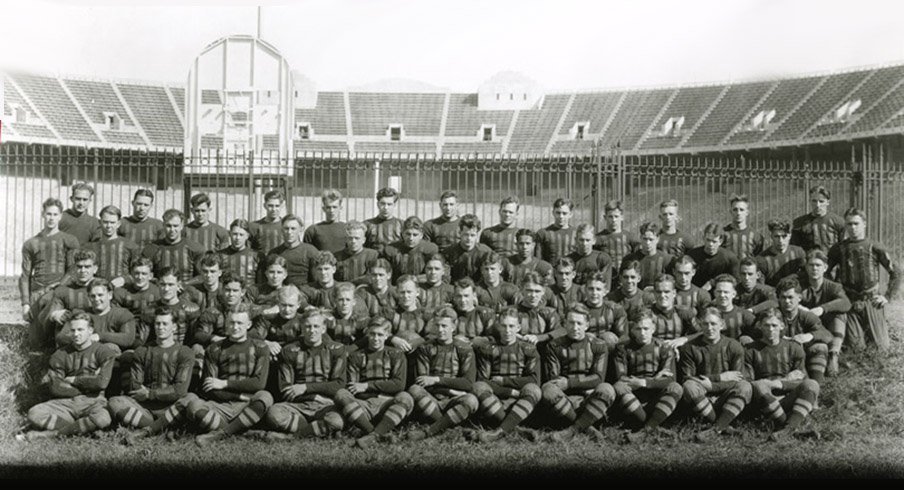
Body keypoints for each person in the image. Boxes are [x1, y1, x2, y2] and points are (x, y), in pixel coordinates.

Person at [17, 311, 115, 441]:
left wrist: (74, 380)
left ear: (90, 330)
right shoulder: (60, 354)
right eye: (72, 330)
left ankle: (50, 435)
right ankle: (83, 429)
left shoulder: (104, 352)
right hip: (66, 403)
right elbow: (56, 387)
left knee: (103, 418)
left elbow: (102, 383)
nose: (76, 334)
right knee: (34, 413)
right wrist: (88, 384)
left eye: (80, 330)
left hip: (94, 401)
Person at [185, 306, 274, 446]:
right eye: (232, 323)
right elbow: (210, 388)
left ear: (249, 325)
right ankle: (242, 430)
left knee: (265, 397)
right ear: (226, 324)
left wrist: (224, 383)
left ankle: (221, 434)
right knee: (194, 406)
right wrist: (240, 396)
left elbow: (258, 384)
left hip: (247, 405)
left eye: (240, 323)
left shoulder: (260, 347)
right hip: (221, 405)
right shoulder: (214, 349)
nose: (235, 327)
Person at [109, 306, 195, 445]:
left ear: (173, 327)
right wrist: (147, 396)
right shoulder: (142, 351)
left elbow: (179, 390)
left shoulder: (185, 352)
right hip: (145, 408)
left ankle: (146, 431)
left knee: (191, 399)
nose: (160, 327)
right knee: (114, 402)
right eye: (157, 324)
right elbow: (136, 387)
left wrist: (150, 393)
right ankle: (164, 426)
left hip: (171, 405)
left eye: (165, 324)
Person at [263, 308, 348, 440]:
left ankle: (292, 437)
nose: (312, 330)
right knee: (274, 414)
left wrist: (306, 388)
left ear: (323, 328)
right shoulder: (290, 350)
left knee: (337, 420)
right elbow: (285, 389)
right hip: (298, 405)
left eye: (316, 326)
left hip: (326, 404)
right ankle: (317, 430)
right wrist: (314, 396)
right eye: (308, 326)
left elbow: (339, 384)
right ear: (302, 328)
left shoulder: (336, 349)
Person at [827, 207, 902, 351]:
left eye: (856, 223)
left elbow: (896, 272)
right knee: (856, 348)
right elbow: (825, 271)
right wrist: (836, 292)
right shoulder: (838, 248)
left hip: (871, 301)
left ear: (864, 224)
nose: (852, 228)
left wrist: (887, 296)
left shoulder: (874, 246)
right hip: (849, 301)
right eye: (849, 224)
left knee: (881, 348)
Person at [334, 318, 413, 449]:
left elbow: (398, 385)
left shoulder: (396, 354)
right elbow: (353, 387)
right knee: (341, 394)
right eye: (372, 334)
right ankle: (375, 433)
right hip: (363, 405)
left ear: (387, 336)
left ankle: (371, 436)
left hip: (387, 403)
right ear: (367, 334)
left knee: (406, 397)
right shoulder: (356, 356)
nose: (376, 338)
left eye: (380, 335)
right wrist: (369, 391)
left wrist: (366, 386)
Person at [542, 304, 616, 442]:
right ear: (564, 323)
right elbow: (554, 380)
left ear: (587, 325)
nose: (575, 327)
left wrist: (570, 383)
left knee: (607, 389)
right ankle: (588, 428)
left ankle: (572, 430)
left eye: (579, 323)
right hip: (565, 400)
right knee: (548, 389)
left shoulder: (598, 345)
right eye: (571, 322)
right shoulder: (554, 345)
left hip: (588, 399)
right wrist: (569, 387)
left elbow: (598, 378)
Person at [745, 308, 821, 442]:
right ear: (760, 326)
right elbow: (749, 383)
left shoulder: (793, 348)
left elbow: (800, 379)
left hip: (786, 398)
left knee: (812, 384)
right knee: (759, 385)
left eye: (774, 325)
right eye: (766, 325)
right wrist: (785, 380)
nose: (770, 329)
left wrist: (779, 383)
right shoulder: (750, 349)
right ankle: (791, 429)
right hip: (763, 399)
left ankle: (787, 430)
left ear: (782, 326)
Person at [406, 307, 479, 441]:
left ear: (453, 327)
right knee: (414, 390)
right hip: (432, 398)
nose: (440, 330)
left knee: (471, 400)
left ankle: (431, 431)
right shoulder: (425, 348)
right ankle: (449, 426)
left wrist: (436, 380)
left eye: (444, 326)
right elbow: (422, 382)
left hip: (453, 401)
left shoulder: (464, 349)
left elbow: (468, 383)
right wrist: (454, 391)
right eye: (437, 325)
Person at [470, 307, 542, 442]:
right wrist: (511, 391)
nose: (507, 330)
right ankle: (514, 429)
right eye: (504, 326)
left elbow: (533, 380)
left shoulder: (528, 349)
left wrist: (503, 381)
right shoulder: (488, 349)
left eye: (511, 326)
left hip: (522, 398)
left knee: (534, 389)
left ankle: (500, 431)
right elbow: (483, 380)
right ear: (498, 326)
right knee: (478, 387)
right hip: (496, 398)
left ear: (518, 327)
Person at [679, 307, 751, 443]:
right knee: (689, 386)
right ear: (700, 325)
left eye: (713, 324)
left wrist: (712, 386)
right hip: (703, 395)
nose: (709, 328)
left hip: (725, 395)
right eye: (705, 324)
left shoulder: (733, 346)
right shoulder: (690, 347)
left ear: (722, 325)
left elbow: (738, 378)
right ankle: (723, 425)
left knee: (745, 386)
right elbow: (687, 378)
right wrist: (718, 378)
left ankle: (714, 429)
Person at [615, 309, 683, 443]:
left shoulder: (664, 347)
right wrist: (656, 378)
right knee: (619, 387)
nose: (642, 333)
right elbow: (621, 377)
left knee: (676, 388)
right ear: (632, 329)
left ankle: (645, 431)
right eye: (638, 329)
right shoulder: (623, 348)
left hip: (656, 398)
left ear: (653, 328)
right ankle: (653, 427)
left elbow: (670, 379)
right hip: (634, 399)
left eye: (646, 328)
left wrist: (644, 382)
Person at [20, 198, 80, 341]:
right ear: (42, 214)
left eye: (55, 214)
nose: (51, 218)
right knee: (35, 341)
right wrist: (25, 304)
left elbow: (72, 269)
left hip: (59, 292)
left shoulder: (69, 240)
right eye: (48, 214)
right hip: (37, 293)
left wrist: (59, 287)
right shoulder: (31, 243)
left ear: (60, 216)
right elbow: (25, 275)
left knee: (58, 335)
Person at [798, 249, 851, 376]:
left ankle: (834, 355)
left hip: (827, 324)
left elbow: (846, 303)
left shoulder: (833, 286)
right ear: (806, 267)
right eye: (811, 265)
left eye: (818, 265)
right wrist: (800, 308)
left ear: (825, 268)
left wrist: (822, 309)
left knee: (840, 314)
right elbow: (788, 297)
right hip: (807, 325)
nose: (814, 269)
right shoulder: (800, 285)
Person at [774, 277, 833, 383]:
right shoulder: (773, 315)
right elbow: (758, 331)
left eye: (790, 297)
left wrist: (809, 336)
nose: (787, 301)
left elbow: (827, 335)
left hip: (802, 355)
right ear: (778, 298)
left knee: (820, 347)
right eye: (783, 297)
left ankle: (817, 382)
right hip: (778, 355)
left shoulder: (806, 316)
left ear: (799, 298)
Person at [141, 209, 206, 283]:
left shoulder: (195, 249)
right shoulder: (151, 249)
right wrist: (161, 283)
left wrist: (185, 285)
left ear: (181, 226)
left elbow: (203, 276)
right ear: (163, 225)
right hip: (161, 291)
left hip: (188, 292)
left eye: (175, 226)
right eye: (168, 226)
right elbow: (143, 274)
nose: (172, 230)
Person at [89, 205, 140, 288]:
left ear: (119, 224)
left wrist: (125, 279)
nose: (109, 226)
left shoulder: (131, 246)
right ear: (99, 222)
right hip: (98, 291)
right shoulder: (92, 246)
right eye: (105, 222)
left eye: (112, 222)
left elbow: (139, 272)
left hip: (124, 290)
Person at [382, 216, 438, 283]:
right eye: (408, 234)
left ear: (421, 235)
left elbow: (437, 273)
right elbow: (384, 273)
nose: (411, 238)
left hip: (422, 286)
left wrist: (417, 279)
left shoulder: (430, 249)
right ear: (402, 234)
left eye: (415, 235)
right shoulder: (391, 249)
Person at [513, 272, 564, 346]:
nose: (533, 295)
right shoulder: (512, 312)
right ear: (522, 289)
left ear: (543, 291)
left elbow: (561, 331)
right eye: (529, 290)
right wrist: (516, 336)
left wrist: (539, 338)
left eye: (537, 291)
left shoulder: (549, 313)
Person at [792, 185, 846, 253]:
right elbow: (795, 249)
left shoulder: (838, 222)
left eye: (821, 201)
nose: (817, 205)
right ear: (810, 201)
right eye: (814, 201)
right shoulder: (799, 223)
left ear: (828, 202)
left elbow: (843, 247)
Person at [580, 271, 627, 349]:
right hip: (585, 352)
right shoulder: (578, 310)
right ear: (585, 290)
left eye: (598, 289)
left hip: (610, 351)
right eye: (591, 289)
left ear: (605, 291)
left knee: (608, 337)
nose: (594, 293)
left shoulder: (615, 309)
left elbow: (624, 336)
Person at [595, 200, 638, 283]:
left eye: (616, 216)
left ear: (622, 217)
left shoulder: (630, 237)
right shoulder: (598, 238)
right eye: (610, 217)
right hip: (606, 279)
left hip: (625, 279)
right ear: (605, 217)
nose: (613, 220)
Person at [271, 214, 319, 288]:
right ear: (281, 230)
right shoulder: (274, 253)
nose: (289, 232)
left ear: (300, 229)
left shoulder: (310, 252)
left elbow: (316, 281)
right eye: (286, 228)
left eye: (293, 228)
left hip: (304, 295)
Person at [622, 222, 674, 289]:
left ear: (657, 239)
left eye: (651, 239)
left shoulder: (667, 260)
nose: (648, 243)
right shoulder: (630, 259)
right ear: (640, 238)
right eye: (645, 239)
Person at [686, 223, 739, 288]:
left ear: (720, 241)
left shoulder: (730, 259)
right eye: (708, 240)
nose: (710, 244)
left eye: (714, 241)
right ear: (703, 238)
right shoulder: (692, 255)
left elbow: (735, 281)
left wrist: (713, 282)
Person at [443, 214, 492, 283]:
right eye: (466, 234)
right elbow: (445, 278)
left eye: (472, 235)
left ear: (477, 235)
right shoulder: (449, 252)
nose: (469, 238)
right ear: (460, 233)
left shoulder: (485, 252)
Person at [709, 274, 756, 344]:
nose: (722, 295)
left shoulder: (744, 315)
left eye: (726, 292)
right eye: (719, 291)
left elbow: (760, 334)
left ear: (734, 294)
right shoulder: (707, 314)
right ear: (714, 293)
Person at [757, 219, 805, 287]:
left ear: (790, 236)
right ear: (771, 236)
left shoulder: (798, 253)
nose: (780, 241)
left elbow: (805, 275)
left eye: (784, 236)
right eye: (777, 236)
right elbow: (760, 286)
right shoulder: (762, 259)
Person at [218, 219, 265, 285]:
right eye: (235, 234)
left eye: (241, 235)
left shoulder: (257, 256)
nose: (237, 238)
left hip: (249, 294)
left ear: (247, 236)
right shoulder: (220, 255)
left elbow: (261, 283)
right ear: (230, 234)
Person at [450, 278, 496, 344]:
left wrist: (481, 340)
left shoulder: (486, 314)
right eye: (459, 296)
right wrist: (453, 339)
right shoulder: (448, 313)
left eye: (466, 296)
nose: (463, 300)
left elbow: (495, 338)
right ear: (454, 297)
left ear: (474, 295)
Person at [304, 189, 348, 254]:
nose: (331, 210)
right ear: (323, 208)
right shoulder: (313, 230)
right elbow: (307, 254)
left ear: (340, 208)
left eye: (334, 207)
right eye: (328, 207)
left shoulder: (347, 229)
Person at [335, 221, 379, 285]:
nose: (353, 241)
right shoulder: (337, 257)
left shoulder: (372, 255)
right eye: (350, 238)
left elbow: (371, 277)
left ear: (364, 240)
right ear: (346, 239)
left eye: (357, 238)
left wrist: (350, 284)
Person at [723, 194, 765, 260]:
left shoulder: (756, 236)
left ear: (747, 212)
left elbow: (758, 260)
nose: (738, 213)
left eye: (741, 210)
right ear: (730, 211)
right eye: (735, 209)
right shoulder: (722, 234)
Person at [364, 186, 403, 255]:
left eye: (389, 204)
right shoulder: (367, 225)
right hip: (374, 263)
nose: (385, 208)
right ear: (378, 204)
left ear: (395, 205)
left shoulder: (402, 225)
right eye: (383, 203)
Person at [535, 197, 575, 265]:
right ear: (553, 213)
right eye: (558, 213)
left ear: (570, 214)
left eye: (564, 213)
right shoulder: (543, 233)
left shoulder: (576, 233)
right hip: (549, 273)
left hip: (571, 273)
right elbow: (538, 259)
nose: (561, 216)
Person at [249, 189, 286, 255]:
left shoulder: (287, 226)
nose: (274, 209)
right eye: (270, 206)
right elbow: (247, 251)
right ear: (265, 205)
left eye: (277, 206)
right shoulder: (254, 226)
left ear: (282, 206)